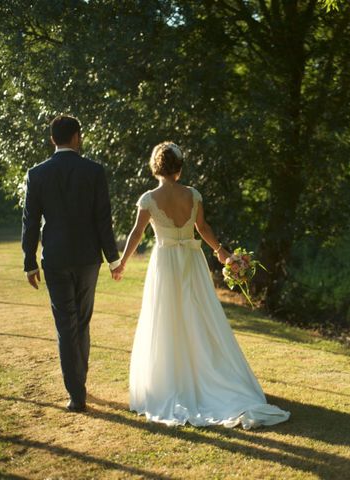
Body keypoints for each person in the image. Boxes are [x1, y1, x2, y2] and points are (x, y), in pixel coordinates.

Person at [116, 141, 290, 429]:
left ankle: (172, 381)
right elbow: (203, 228)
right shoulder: (193, 195)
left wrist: (122, 262)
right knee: (198, 314)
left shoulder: (148, 199)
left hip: (166, 263)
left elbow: (136, 233)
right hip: (192, 261)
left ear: (156, 168)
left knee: (166, 318)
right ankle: (207, 377)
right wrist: (222, 253)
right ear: (179, 169)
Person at [21, 114, 123, 412]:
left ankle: (76, 393)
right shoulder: (93, 171)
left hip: (54, 257)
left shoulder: (37, 173)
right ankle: (79, 382)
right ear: (76, 136)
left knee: (66, 324)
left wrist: (29, 262)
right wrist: (113, 258)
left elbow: (30, 222)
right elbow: (103, 219)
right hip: (88, 258)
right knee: (82, 320)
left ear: (53, 139)